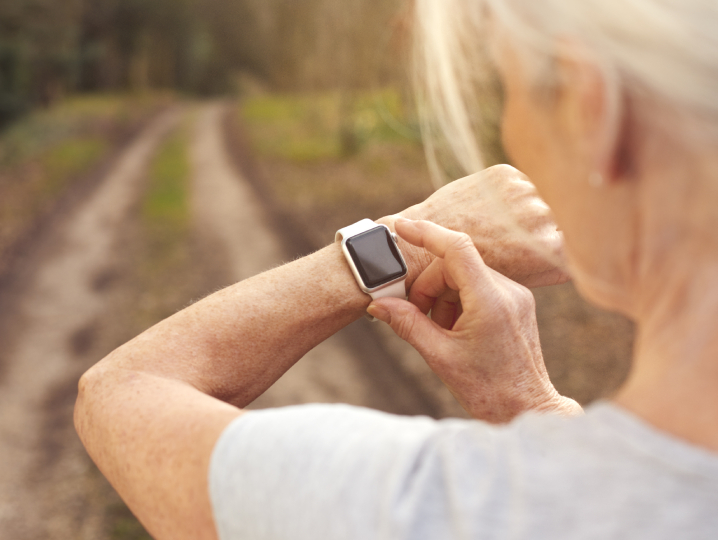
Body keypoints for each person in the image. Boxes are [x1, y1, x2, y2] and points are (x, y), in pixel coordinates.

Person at [74, 0, 718, 538]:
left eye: (508, 89)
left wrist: (395, 246)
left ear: (588, 108)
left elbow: (119, 389)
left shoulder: (415, 510)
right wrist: (529, 404)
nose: (511, 132)